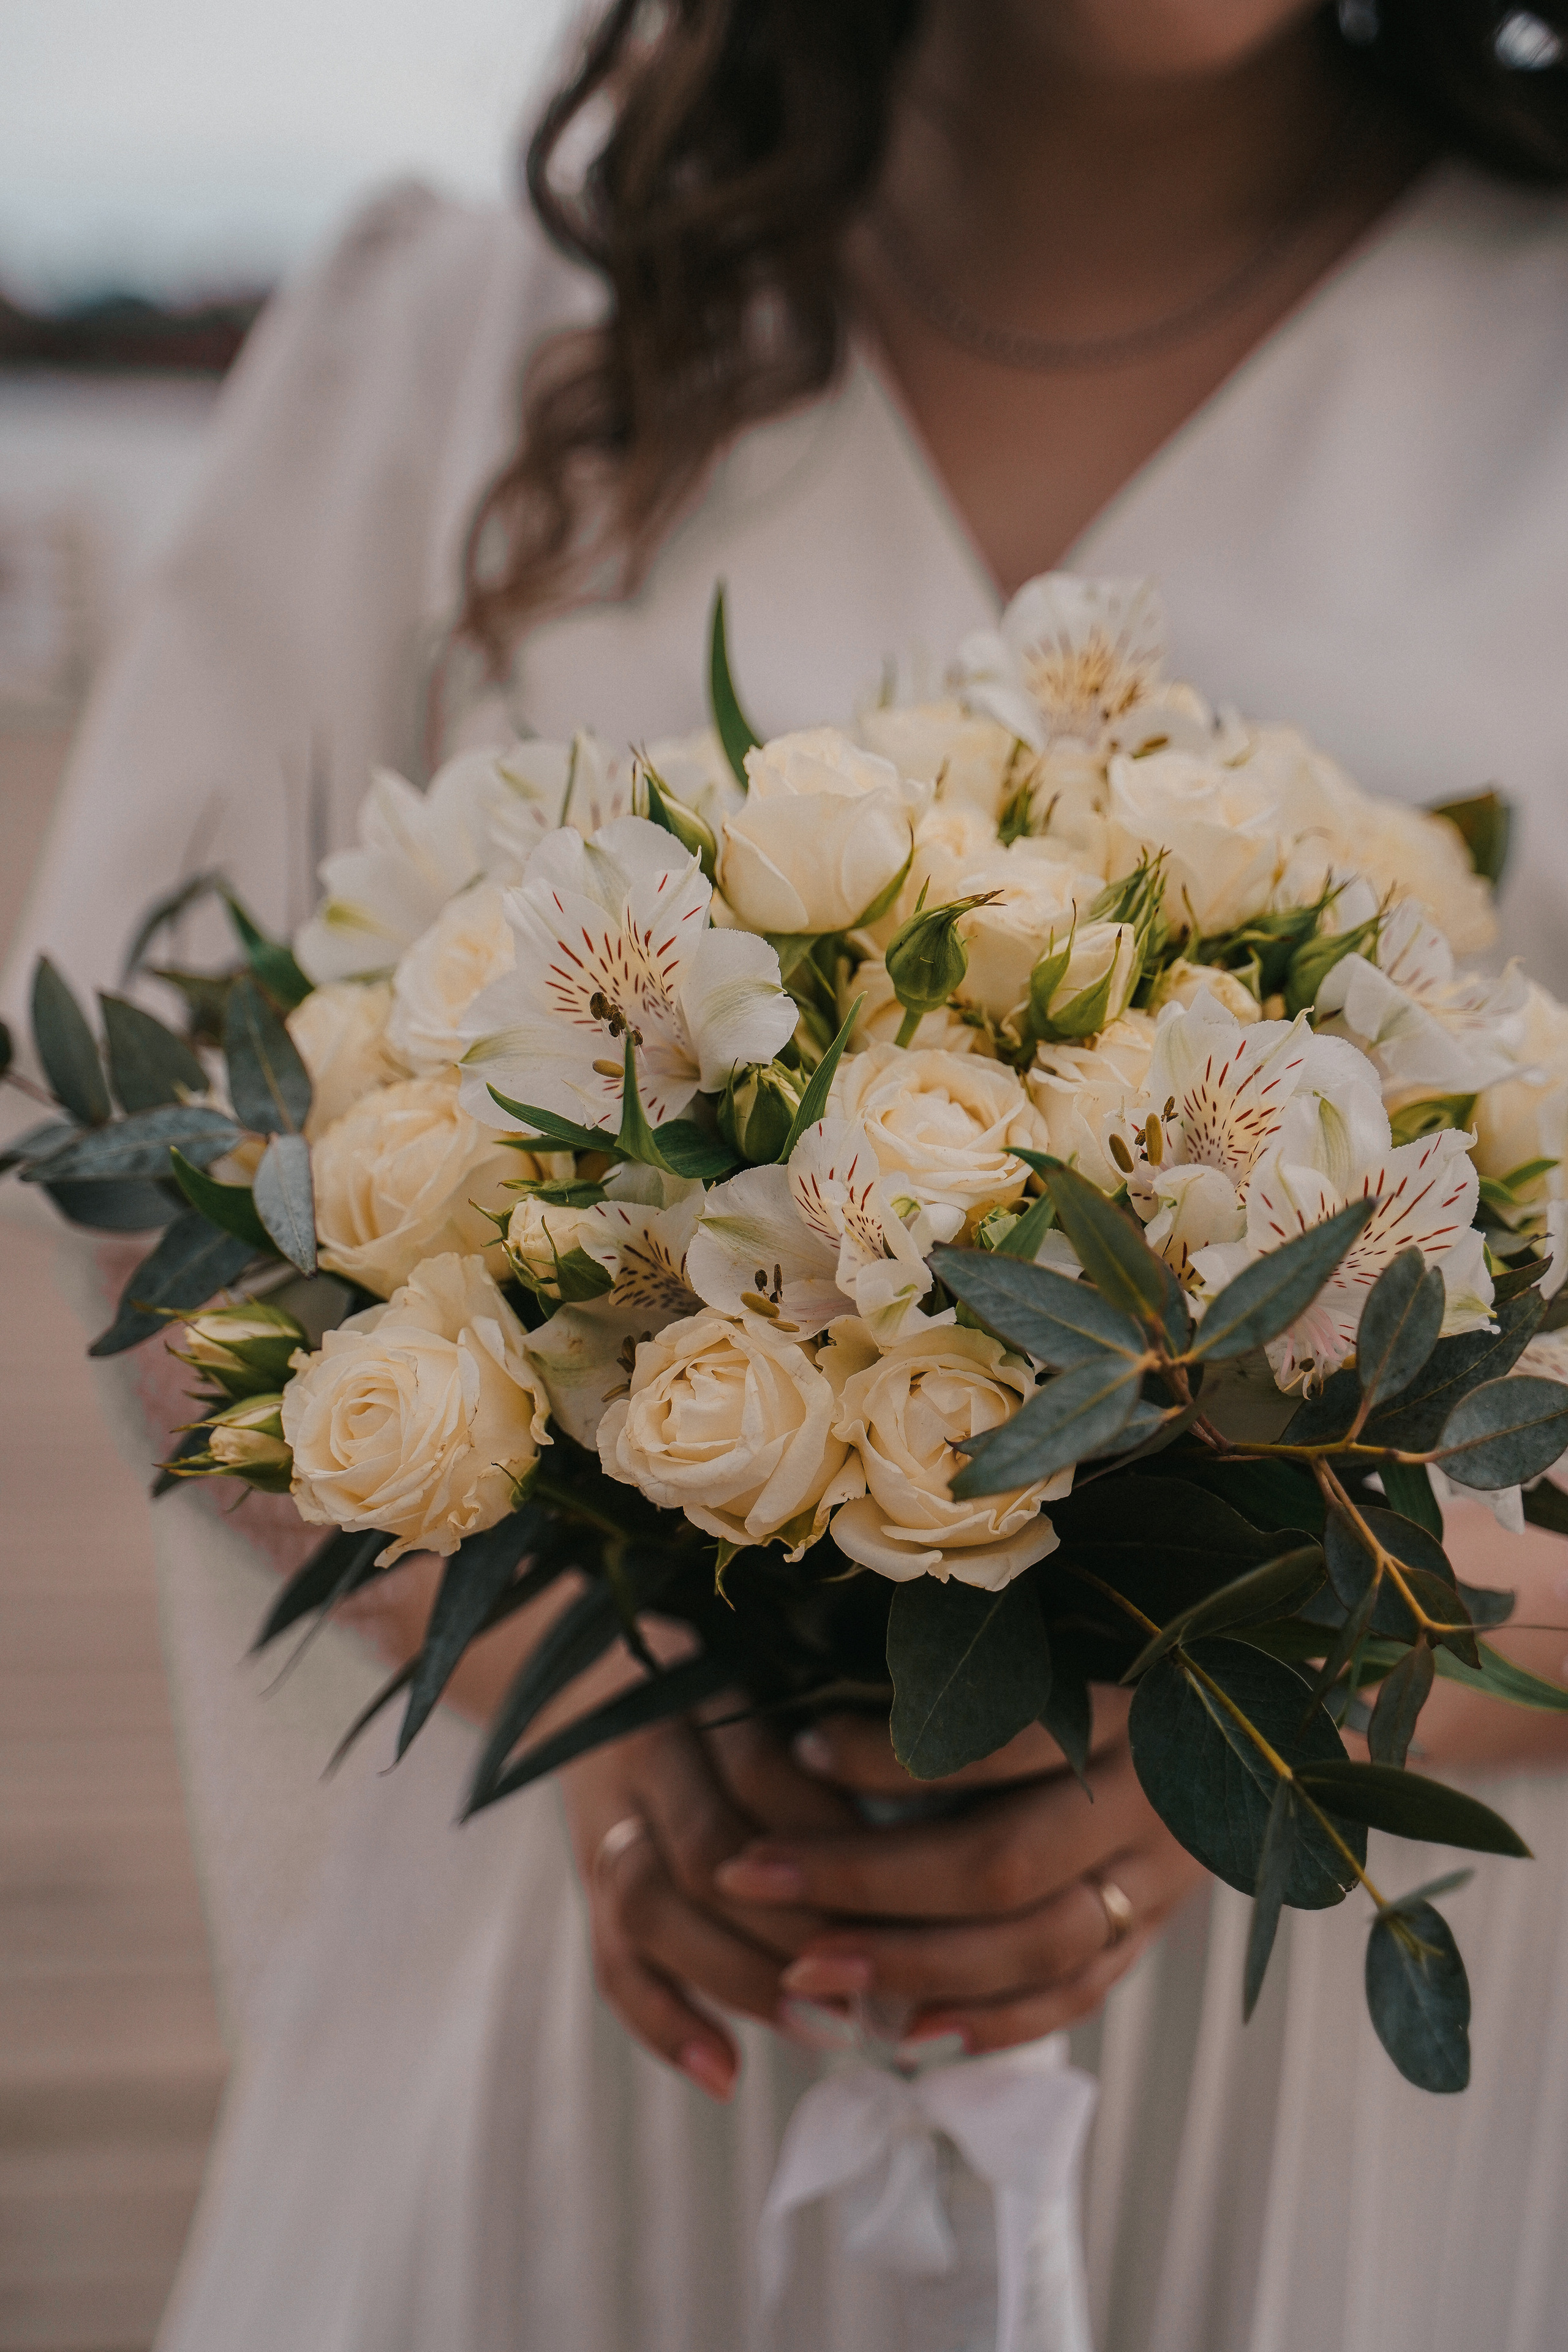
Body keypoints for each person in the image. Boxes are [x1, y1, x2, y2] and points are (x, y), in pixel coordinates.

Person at [9, 2, 1568, 2345]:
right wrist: (562, 1668)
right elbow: (153, 1157)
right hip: (610, 1985)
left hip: (1341, 2083)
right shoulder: (448, 345)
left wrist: (1298, 1719)